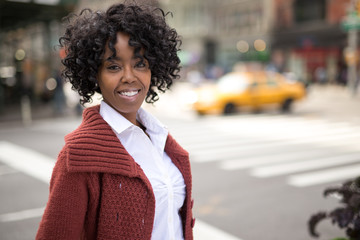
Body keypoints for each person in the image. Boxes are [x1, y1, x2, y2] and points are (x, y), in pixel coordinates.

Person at [36, 2, 194, 240]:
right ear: (94, 74)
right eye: (113, 66)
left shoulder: (160, 138)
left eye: (140, 64)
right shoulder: (79, 154)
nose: (129, 77)